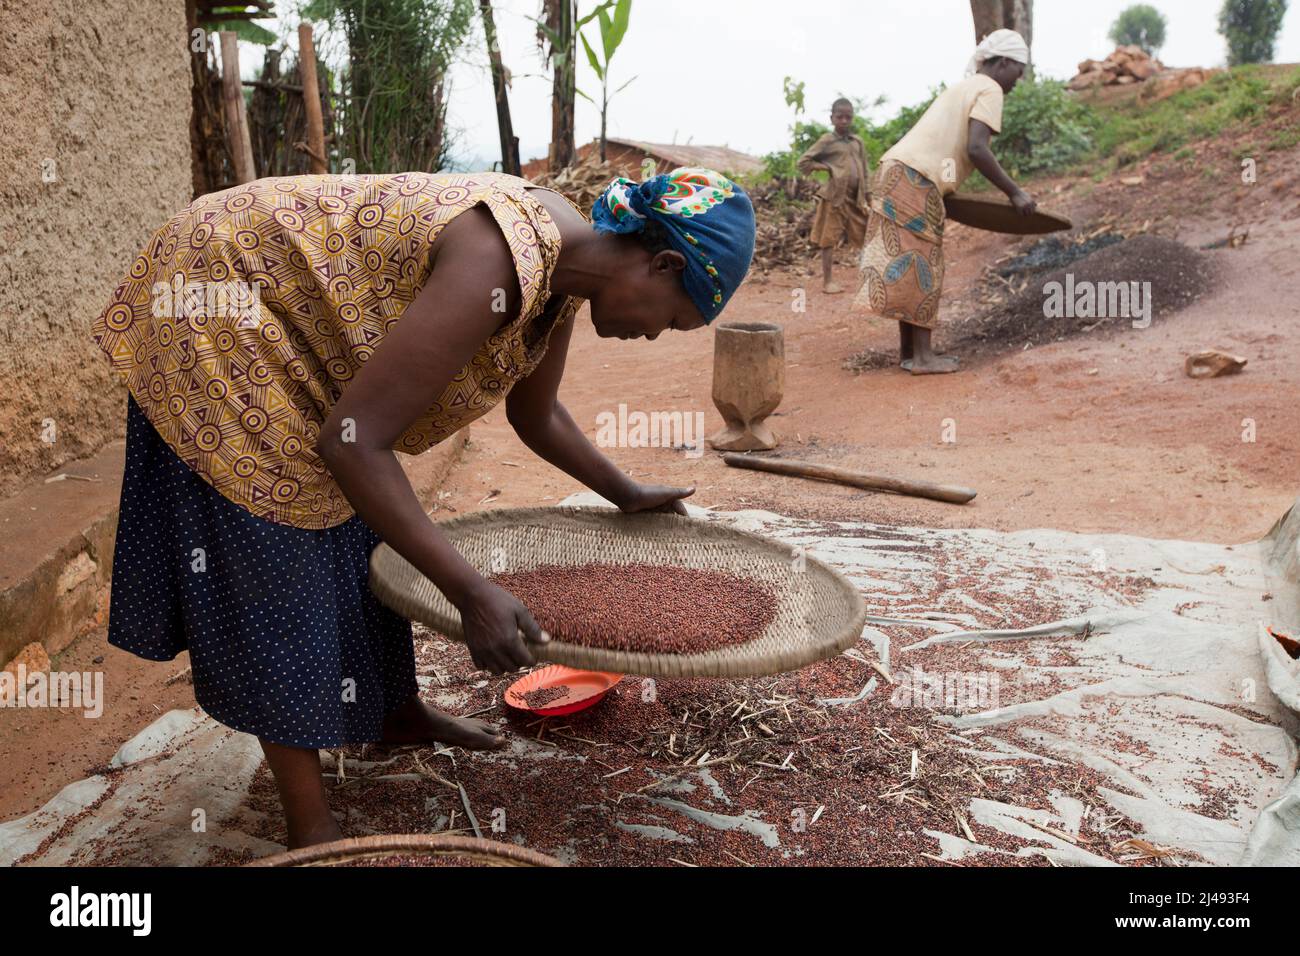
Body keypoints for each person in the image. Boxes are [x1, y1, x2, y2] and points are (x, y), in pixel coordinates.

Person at [91, 166, 755, 848]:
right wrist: (471, 592)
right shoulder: (496, 261)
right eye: (674, 319)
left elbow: (538, 414)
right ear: (662, 262)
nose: (657, 336)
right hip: (221, 292)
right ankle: (312, 827)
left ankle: (394, 714)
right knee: (283, 540)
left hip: (286, 314)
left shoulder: (565, 270)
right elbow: (355, 447)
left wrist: (627, 493)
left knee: (361, 525)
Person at [855, 29, 1037, 374]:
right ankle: (923, 358)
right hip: (916, 178)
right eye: (1019, 69)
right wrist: (1015, 192)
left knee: (909, 262)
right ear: (1002, 63)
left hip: (895, 171)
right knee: (925, 262)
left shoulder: (962, 86)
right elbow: (977, 148)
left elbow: (949, 152)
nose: (1020, 78)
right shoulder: (989, 88)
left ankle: (909, 353)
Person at [797, 97, 871, 294]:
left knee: (867, 234)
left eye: (848, 117)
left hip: (857, 198)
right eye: (840, 117)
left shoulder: (857, 142)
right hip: (834, 198)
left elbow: (865, 170)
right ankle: (828, 282)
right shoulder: (827, 141)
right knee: (828, 238)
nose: (844, 121)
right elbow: (803, 162)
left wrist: (869, 196)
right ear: (832, 118)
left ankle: (868, 279)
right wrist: (828, 167)